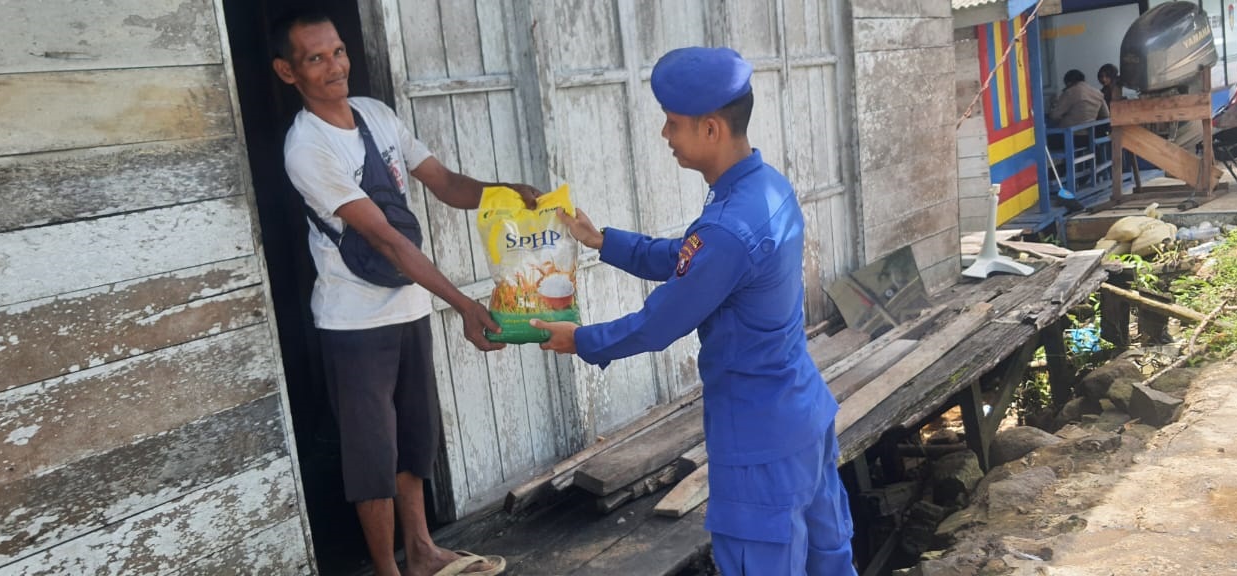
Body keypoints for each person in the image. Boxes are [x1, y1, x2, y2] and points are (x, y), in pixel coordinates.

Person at [530, 47, 856, 575]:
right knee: (829, 560)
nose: (664, 135)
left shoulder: (728, 226)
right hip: (801, 417)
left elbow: (662, 320)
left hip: (756, 442)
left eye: (672, 123)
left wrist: (580, 339)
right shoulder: (765, 187)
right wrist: (603, 241)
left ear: (711, 129)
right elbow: (692, 261)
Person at [271, 12, 536, 576]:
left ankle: (420, 551)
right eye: (315, 58)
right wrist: (464, 304)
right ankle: (387, 571)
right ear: (287, 72)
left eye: (338, 52)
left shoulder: (376, 115)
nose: (334, 66)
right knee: (373, 454)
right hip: (353, 319)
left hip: (408, 304)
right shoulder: (307, 148)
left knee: (414, 436)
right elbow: (386, 240)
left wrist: (506, 192)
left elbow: (443, 182)